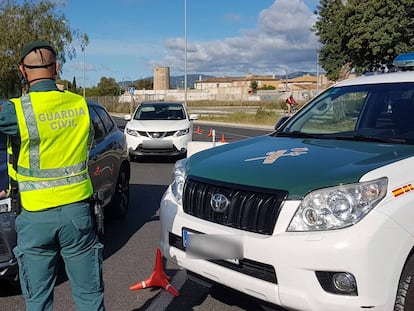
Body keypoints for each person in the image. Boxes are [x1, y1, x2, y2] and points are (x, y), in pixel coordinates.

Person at [0, 41, 105, 311]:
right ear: (57, 67)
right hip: (78, 214)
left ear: (22, 71)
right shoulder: (80, 105)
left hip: (35, 216)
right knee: (90, 298)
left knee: (38, 302)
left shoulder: (17, 110)